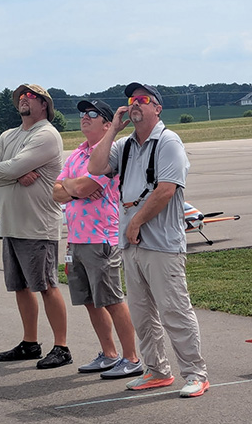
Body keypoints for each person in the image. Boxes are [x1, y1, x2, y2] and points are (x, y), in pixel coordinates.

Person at [88, 82, 208, 398]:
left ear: (157, 108)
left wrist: (135, 223)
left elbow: (166, 190)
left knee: (174, 310)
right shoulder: (125, 145)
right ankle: (156, 370)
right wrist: (113, 128)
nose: (136, 104)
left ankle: (196, 373)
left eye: (144, 99)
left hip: (161, 243)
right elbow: (95, 166)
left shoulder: (169, 142)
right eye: (132, 100)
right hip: (132, 244)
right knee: (142, 313)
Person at [0, 83, 71, 369]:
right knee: (20, 286)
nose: (23, 99)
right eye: (20, 96)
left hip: (37, 225)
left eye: (30, 96)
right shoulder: (8, 135)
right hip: (11, 224)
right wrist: (12, 174)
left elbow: (6, 167)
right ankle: (30, 343)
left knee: (45, 285)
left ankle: (61, 347)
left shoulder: (46, 135)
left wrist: (7, 170)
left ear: (44, 104)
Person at [53, 99, 142, 379]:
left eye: (93, 114)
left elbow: (86, 185)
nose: (85, 117)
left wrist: (74, 187)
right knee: (90, 301)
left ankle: (131, 357)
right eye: (82, 113)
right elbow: (55, 192)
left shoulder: (108, 155)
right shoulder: (77, 155)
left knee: (112, 299)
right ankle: (109, 354)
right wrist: (73, 188)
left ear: (107, 124)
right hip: (76, 239)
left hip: (101, 238)